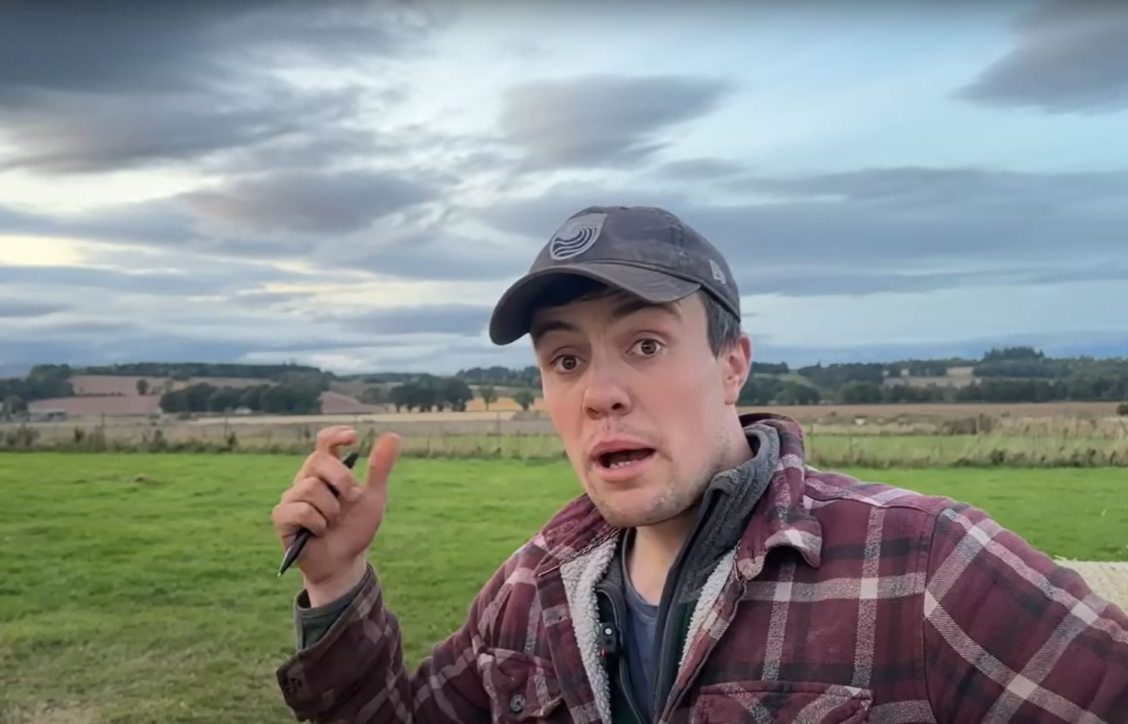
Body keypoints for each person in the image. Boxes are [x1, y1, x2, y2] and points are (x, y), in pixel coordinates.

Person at [271, 206, 1127, 723]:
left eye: (644, 344)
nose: (600, 393)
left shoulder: (925, 565)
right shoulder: (529, 593)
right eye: (565, 360)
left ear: (731, 364)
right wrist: (337, 580)